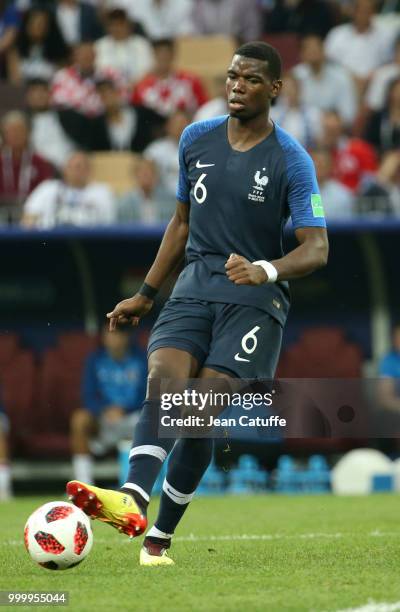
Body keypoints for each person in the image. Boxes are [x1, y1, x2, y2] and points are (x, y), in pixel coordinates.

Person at [66, 41, 328, 566]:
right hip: (195, 282)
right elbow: (181, 222)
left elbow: (317, 247)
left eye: (252, 79)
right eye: (232, 76)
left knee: (200, 411)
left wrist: (266, 269)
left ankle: (158, 539)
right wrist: (145, 293)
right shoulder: (195, 139)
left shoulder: (292, 160)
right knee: (164, 375)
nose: (237, 85)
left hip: (256, 299)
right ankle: (134, 499)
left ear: (274, 88)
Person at [71, 326, 147, 485]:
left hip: (135, 416)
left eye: (119, 334)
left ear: (127, 336)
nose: (115, 339)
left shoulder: (142, 358)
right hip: (104, 419)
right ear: (103, 337)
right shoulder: (94, 360)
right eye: (111, 334)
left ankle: (149, 483)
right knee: (79, 419)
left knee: (161, 418)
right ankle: (83, 484)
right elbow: (88, 394)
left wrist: (125, 409)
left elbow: (150, 392)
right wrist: (103, 409)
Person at [21, 151, 116, 228]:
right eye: (70, 167)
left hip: (91, 241)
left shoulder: (102, 192)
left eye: (79, 167)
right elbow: (28, 218)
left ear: (89, 170)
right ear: (64, 170)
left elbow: (110, 223)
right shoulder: (48, 188)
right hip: (50, 242)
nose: (75, 171)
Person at [324, 0, 392, 98]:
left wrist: (371, 76)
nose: (363, 14)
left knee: (381, 81)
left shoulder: (385, 35)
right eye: (361, 10)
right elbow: (328, 62)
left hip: (373, 83)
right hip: (342, 82)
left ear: (374, 13)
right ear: (353, 12)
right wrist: (351, 77)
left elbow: (389, 62)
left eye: (368, 11)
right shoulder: (337, 34)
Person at [132, 38, 208, 118]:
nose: (163, 58)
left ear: (173, 55)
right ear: (153, 55)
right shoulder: (142, 86)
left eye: (166, 54)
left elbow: (206, 108)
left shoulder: (190, 81)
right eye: (159, 54)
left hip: (186, 125)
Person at [292, 34, 357, 126]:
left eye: (316, 49)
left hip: (331, 128)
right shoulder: (295, 76)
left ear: (324, 51)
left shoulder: (341, 77)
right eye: (309, 50)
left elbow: (348, 115)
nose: (313, 53)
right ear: (302, 55)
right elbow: (285, 110)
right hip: (302, 127)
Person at [0, 111, 53, 212]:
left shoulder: (40, 163)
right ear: (4, 135)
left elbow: (47, 192)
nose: (15, 135)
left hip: (33, 212)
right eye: (10, 131)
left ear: (28, 133)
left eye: (19, 131)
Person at [318, 110, 378, 193]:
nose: (330, 133)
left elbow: (370, 180)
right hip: (323, 199)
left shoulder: (359, 149)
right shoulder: (314, 154)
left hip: (355, 201)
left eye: (334, 129)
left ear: (341, 127)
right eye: (327, 129)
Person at [9, 6, 69, 83]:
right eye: (34, 23)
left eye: (42, 24)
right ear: (26, 25)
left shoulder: (59, 52)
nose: (38, 28)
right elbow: (15, 81)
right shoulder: (15, 51)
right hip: (22, 93)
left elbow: (61, 80)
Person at [95, 8, 154, 87]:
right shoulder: (99, 46)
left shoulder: (141, 44)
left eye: (120, 24)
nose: (117, 28)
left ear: (129, 25)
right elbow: (98, 72)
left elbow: (148, 70)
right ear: (107, 27)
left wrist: (132, 86)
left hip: (138, 89)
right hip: (108, 92)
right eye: (113, 25)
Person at [25, 78, 75, 169]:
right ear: (28, 97)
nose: (39, 96)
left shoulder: (68, 117)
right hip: (38, 170)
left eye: (43, 91)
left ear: (50, 94)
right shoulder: (24, 122)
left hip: (68, 168)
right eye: (35, 92)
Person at [144, 109, 190, 201]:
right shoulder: (155, 150)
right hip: (161, 200)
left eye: (183, 123)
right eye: (176, 123)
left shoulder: (198, 149)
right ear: (167, 126)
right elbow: (144, 172)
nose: (180, 126)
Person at [270, 72, 322, 148]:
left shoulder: (313, 113)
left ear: (299, 89)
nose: (289, 92)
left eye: (292, 88)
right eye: (285, 88)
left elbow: (318, 142)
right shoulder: (273, 114)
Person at [118, 157, 175, 223]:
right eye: (143, 174)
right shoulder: (125, 202)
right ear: (136, 176)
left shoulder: (169, 200)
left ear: (156, 176)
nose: (147, 177)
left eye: (150, 173)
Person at [310, 148, 355, 219]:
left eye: (323, 163)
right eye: (316, 163)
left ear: (330, 166)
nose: (319, 167)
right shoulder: (297, 193)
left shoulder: (343, 195)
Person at [364, 77, 400, 155]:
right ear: (390, 92)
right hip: (379, 155)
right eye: (397, 91)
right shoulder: (378, 116)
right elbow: (368, 141)